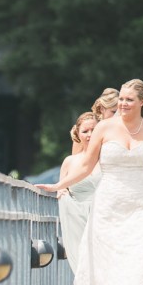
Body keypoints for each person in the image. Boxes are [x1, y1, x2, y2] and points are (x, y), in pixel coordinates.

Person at [37, 79, 143, 285]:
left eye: (129, 100)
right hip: (109, 205)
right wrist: (59, 185)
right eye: (121, 99)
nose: (122, 104)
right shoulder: (104, 128)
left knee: (142, 259)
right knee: (112, 264)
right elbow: (86, 166)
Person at [58, 112, 101, 273]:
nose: (90, 135)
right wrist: (61, 192)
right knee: (84, 264)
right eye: (85, 131)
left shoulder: (108, 159)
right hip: (79, 220)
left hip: (104, 217)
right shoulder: (70, 162)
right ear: (77, 133)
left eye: (94, 130)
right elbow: (62, 187)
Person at [72, 89, 118, 155]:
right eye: (114, 112)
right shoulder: (86, 128)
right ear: (102, 109)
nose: (118, 116)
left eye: (120, 112)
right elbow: (76, 161)